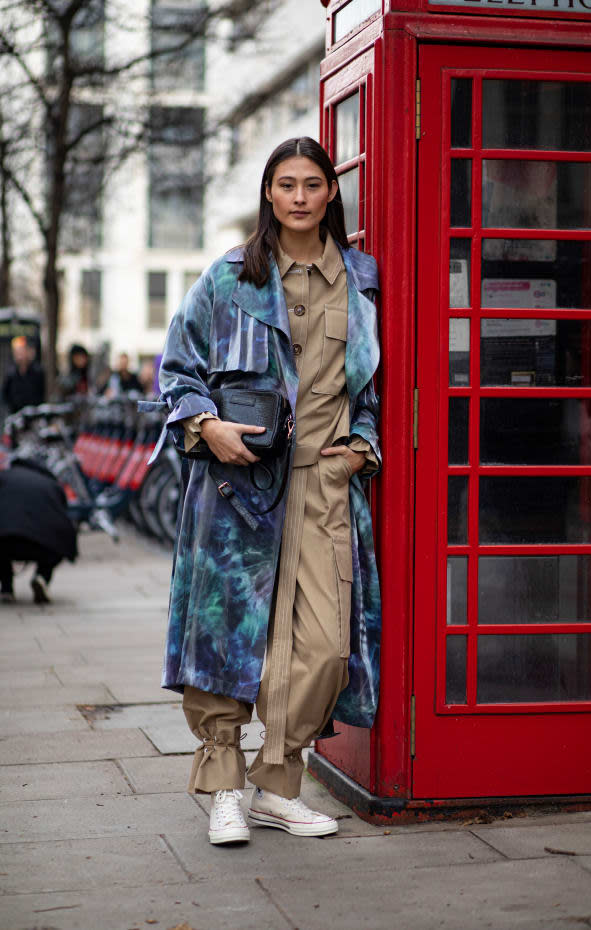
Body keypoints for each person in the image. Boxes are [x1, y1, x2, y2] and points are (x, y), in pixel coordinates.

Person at [153, 137, 381, 846]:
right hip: (236, 485)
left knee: (324, 647)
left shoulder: (361, 281)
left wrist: (362, 446)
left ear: (332, 193)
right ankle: (223, 789)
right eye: (287, 185)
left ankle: (276, 785)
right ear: (269, 195)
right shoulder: (229, 278)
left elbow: (370, 389)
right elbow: (176, 369)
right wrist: (206, 424)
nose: (301, 197)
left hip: (324, 483)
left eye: (313, 184)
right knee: (226, 638)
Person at [0, 460, 78, 604]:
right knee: (58, 539)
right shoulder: (52, 484)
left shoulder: (4, 477)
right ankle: (42, 576)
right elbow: (63, 515)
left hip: (6, 540)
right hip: (43, 545)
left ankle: (6, 588)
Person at [2, 337, 45, 413]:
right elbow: (5, 395)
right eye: (17, 352)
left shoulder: (38, 372)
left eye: (22, 351)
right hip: (16, 414)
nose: (19, 355)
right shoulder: (11, 374)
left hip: (34, 414)